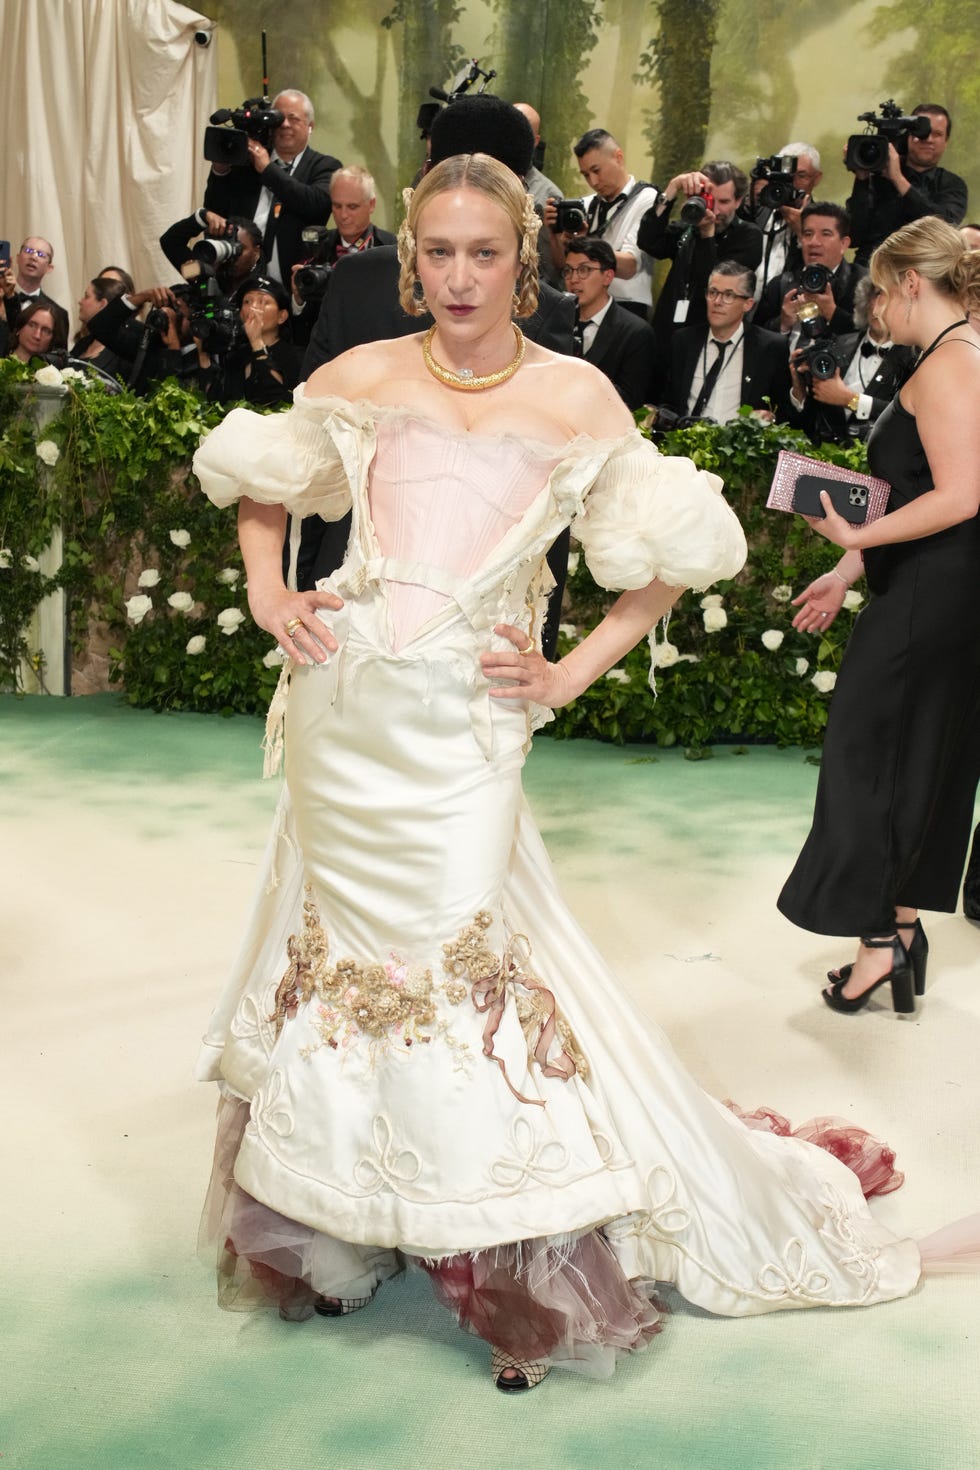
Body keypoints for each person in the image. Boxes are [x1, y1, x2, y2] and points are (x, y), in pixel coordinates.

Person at [193, 153, 970, 1394]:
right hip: (344, 719)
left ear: (525, 259)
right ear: (412, 257)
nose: (458, 277)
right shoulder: (357, 373)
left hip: (463, 732)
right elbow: (260, 481)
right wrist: (267, 589)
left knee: (461, 970)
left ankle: (510, 1259)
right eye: (437, 253)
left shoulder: (577, 397)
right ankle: (345, 1218)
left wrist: (566, 673)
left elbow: (671, 552)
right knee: (345, 971)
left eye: (483, 254)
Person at [778, 217, 980, 1012]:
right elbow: (924, 489)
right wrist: (847, 565)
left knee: (866, 760)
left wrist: (859, 533)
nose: (870, 308)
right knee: (910, 758)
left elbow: (962, 494)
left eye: (876, 291)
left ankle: (879, 941)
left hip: (933, 594)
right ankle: (894, 934)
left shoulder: (951, 364)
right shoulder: (949, 358)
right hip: (930, 587)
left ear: (909, 283)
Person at [203, 89, 341, 285]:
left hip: (293, 282)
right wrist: (220, 170)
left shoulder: (325, 166)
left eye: (294, 119)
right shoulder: (245, 162)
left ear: (310, 126)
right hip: (238, 279)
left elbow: (314, 205)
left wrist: (267, 169)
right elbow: (216, 209)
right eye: (278, 118)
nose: (285, 125)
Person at [787, 276, 916, 446]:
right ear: (867, 301)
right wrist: (799, 390)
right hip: (820, 455)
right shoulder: (836, 344)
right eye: (877, 294)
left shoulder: (914, 360)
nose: (880, 306)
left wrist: (851, 400)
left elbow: (909, 419)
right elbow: (807, 418)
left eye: (892, 298)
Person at [663, 262, 789, 423]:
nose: (717, 301)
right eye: (713, 292)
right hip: (686, 441)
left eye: (728, 295)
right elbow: (668, 402)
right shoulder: (683, 341)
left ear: (748, 304)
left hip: (739, 444)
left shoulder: (770, 347)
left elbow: (783, 410)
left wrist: (770, 417)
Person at [846, 104, 968, 267]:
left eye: (937, 134)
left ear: (946, 141)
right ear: (908, 135)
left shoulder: (952, 185)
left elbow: (941, 229)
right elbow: (853, 236)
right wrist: (861, 179)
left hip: (923, 275)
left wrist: (898, 179)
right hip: (870, 272)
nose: (928, 139)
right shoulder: (876, 178)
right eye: (922, 132)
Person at [562, 236, 656, 410]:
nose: (573, 279)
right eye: (568, 270)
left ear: (608, 276)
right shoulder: (557, 323)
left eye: (584, 270)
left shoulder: (635, 332)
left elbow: (631, 400)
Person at [71, 276, 127, 377]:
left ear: (102, 304)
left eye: (86, 296)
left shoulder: (122, 353)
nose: (80, 301)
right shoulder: (82, 344)